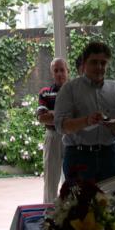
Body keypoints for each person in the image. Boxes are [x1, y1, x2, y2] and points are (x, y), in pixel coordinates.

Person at [54, 42, 115, 182]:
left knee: (112, 196)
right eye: (94, 62)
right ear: (84, 64)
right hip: (78, 156)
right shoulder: (69, 89)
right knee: (79, 197)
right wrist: (86, 121)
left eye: (103, 63)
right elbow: (61, 126)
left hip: (109, 156)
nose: (99, 67)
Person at [73, 50, 115, 173]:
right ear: (80, 71)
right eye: (86, 69)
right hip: (88, 154)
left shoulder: (113, 88)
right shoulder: (74, 92)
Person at [37, 58, 69, 202]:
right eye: (56, 71)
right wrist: (64, 115)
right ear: (52, 73)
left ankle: (70, 211)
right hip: (53, 137)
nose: (59, 73)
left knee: (72, 180)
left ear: (67, 71)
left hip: (71, 137)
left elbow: (78, 115)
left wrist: (52, 113)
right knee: (50, 180)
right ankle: (49, 212)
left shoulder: (74, 92)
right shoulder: (45, 93)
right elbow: (42, 118)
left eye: (62, 70)